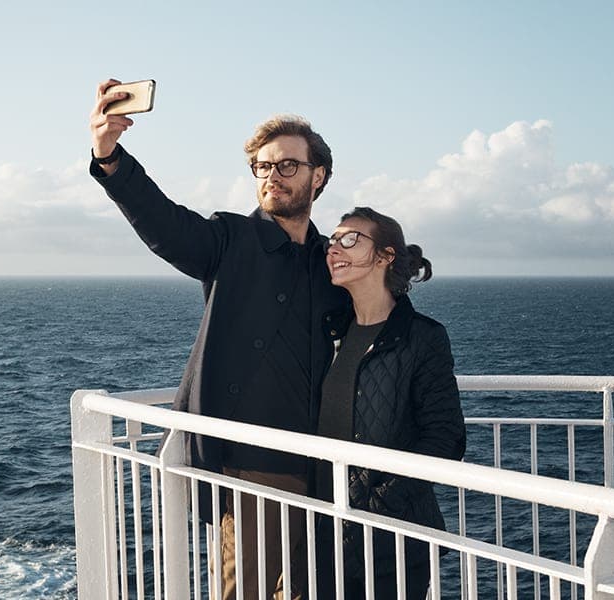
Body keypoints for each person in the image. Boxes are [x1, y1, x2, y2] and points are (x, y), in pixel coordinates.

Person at [89, 79, 349, 600]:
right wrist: (111, 158)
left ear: (318, 177)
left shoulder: (330, 261)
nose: (272, 176)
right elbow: (164, 224)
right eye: (263, 166)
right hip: (252, 462)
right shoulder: (229, 239)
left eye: (288, 165)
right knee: (246, 591)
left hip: (325, 463)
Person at [314, 207, 466, 600]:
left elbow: (446, 437)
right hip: (325, 530)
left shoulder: (422, 338)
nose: (335, 248)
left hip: (393, 537)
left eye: (351, 239)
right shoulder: (329, 331)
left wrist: (379, 503)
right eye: (333, 240)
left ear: (385, 256)